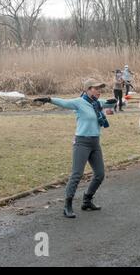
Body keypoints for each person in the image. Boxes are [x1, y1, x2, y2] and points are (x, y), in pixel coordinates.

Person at [34, 79, 118, 219]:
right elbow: (63, 102)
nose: (99, 91)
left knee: (100, 174)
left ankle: (87, 200)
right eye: (96, 88)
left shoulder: (98, 103)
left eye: (100, 89)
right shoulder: (79, 102)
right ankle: (67, 205)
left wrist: (114, 100)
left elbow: (111, 103)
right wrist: (49, 99)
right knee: (77, 174)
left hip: (95, 143)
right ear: (88, 89)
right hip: (82, 143)